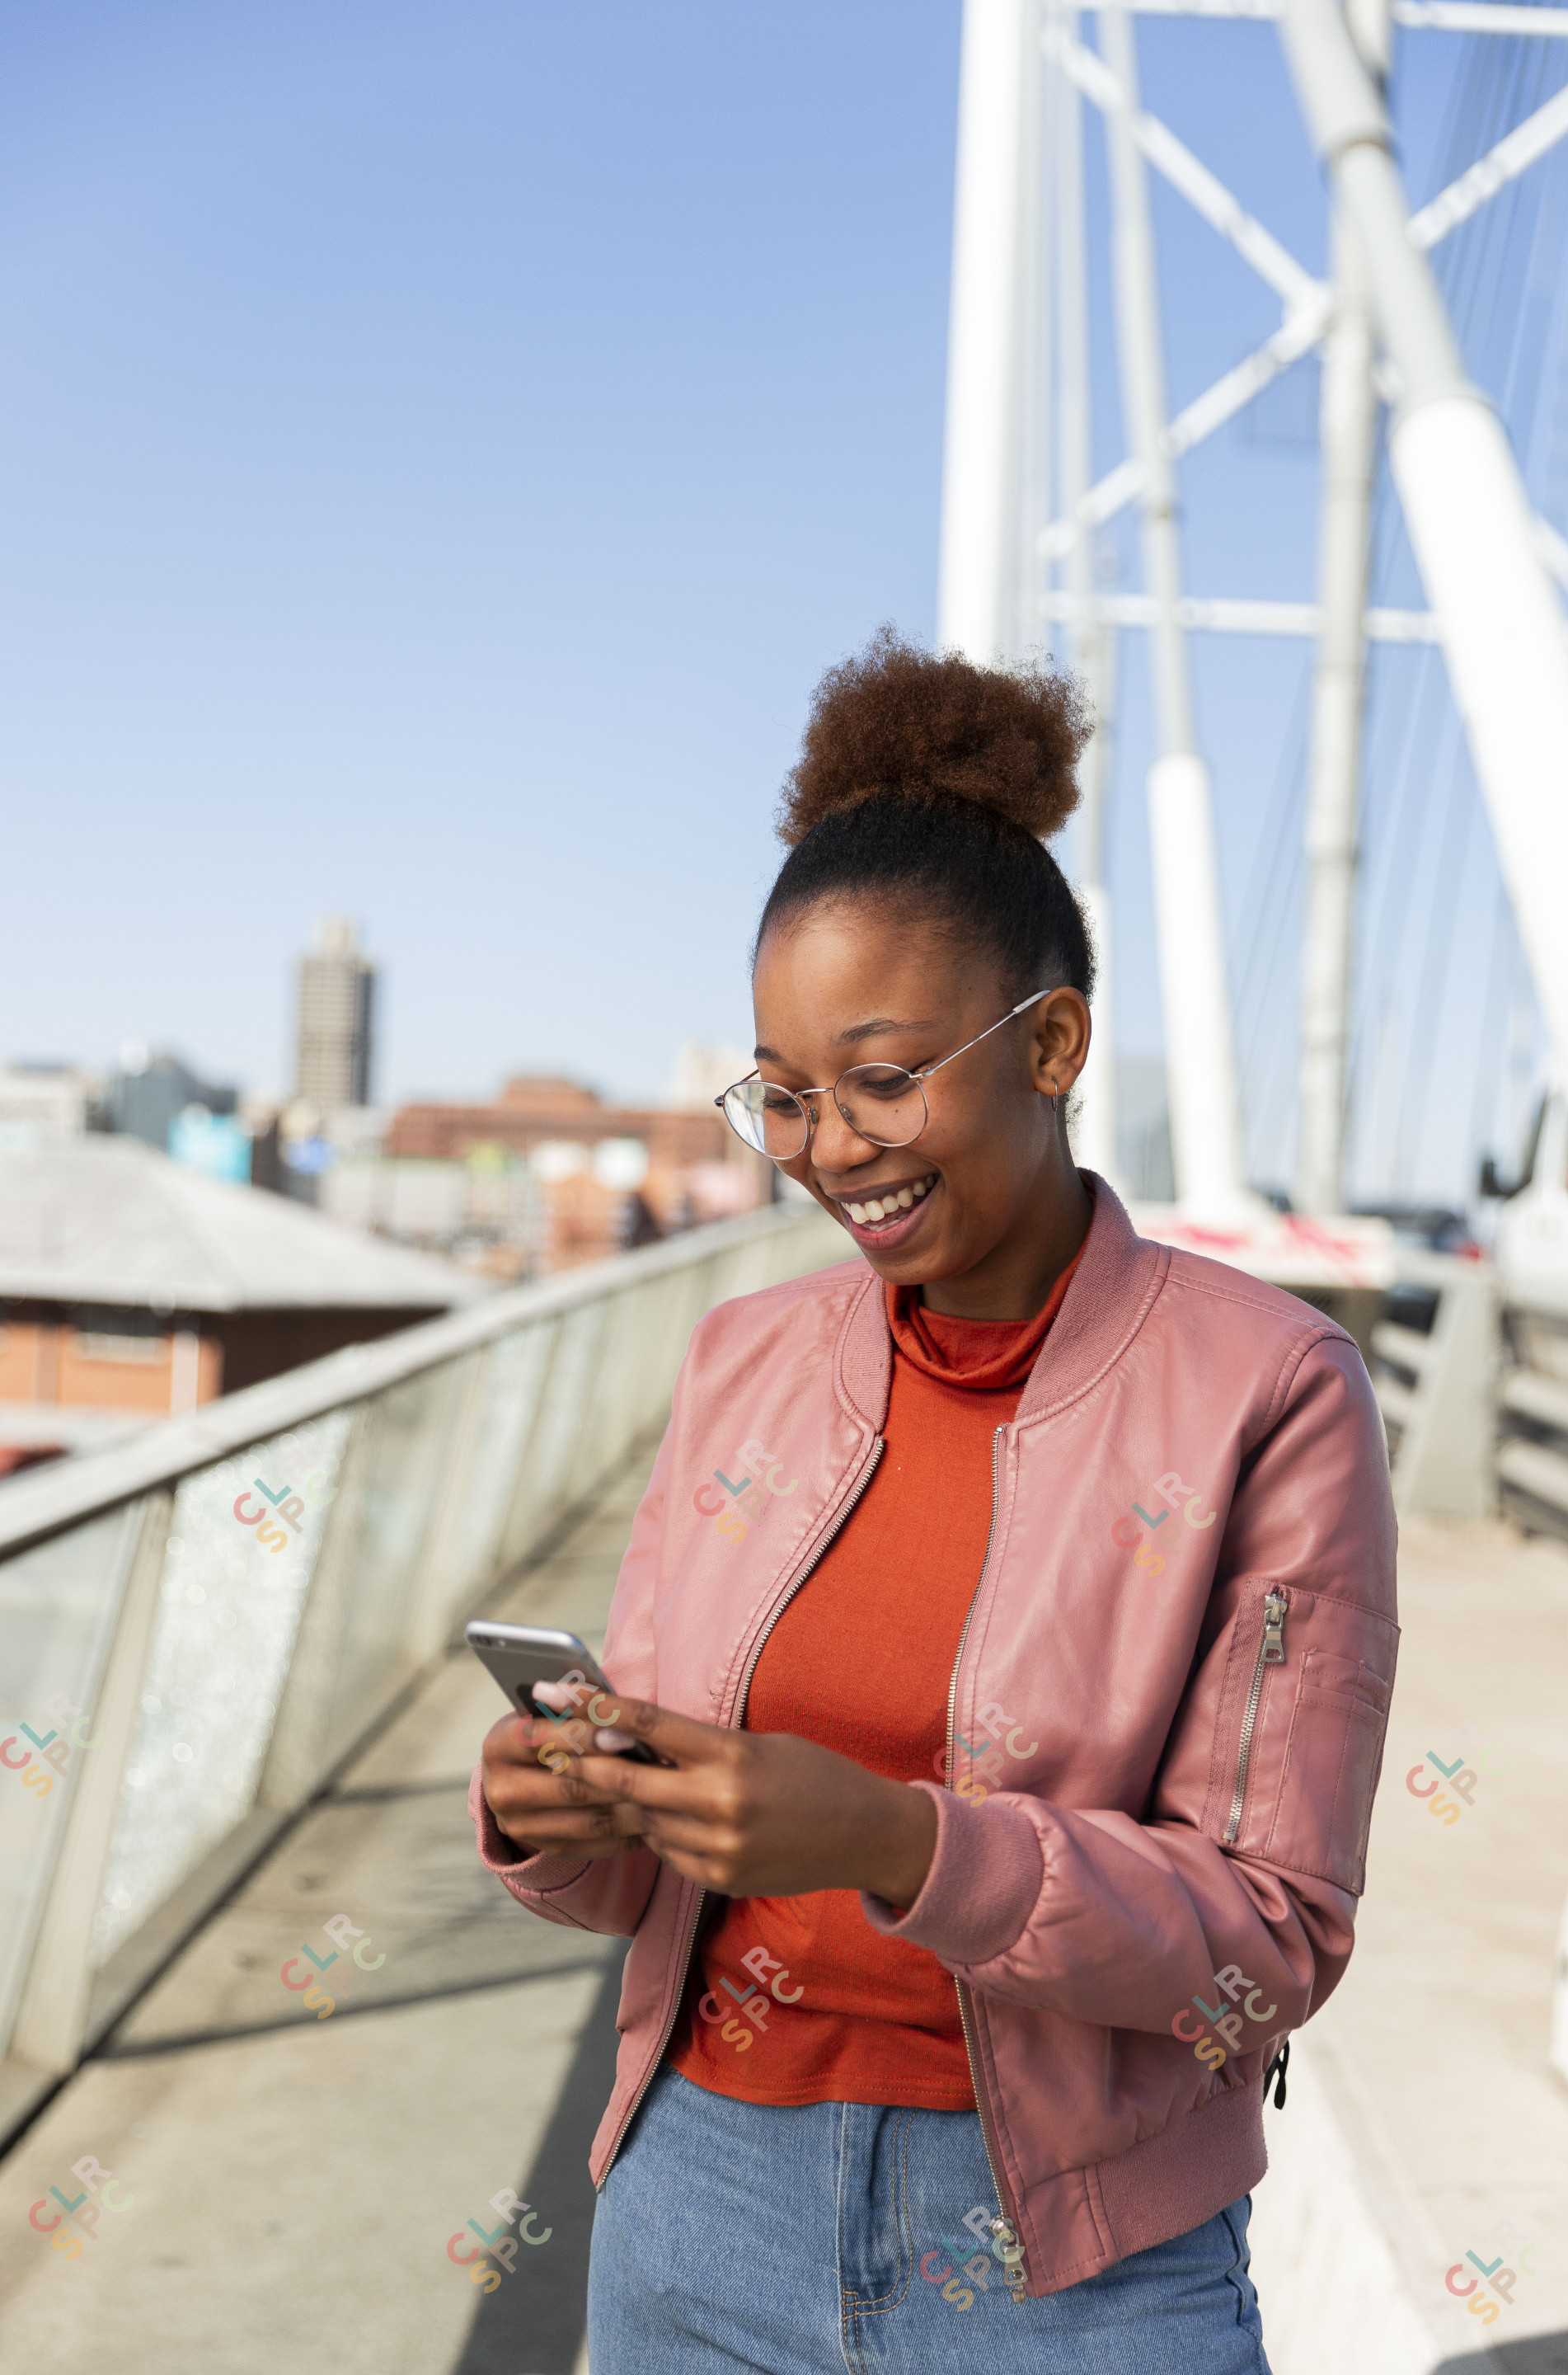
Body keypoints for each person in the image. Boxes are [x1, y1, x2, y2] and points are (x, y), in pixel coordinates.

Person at [474, 628, 1398, 2373]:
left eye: (886, 1077)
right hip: (696, 2203)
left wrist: (902, 1846)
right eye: (789, 1098)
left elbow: (1270, 1945)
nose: (830, 1151)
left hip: (1072, 2253)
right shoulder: (742, 1360)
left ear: (1051, 1042)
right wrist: (555, 1812)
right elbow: (650, 1880)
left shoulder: (1271, 1392)